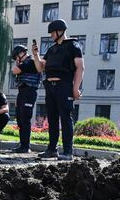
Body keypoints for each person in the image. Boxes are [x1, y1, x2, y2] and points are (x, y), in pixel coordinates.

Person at [32, 19, 84, 161]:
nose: (51, 36)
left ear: (60, 31)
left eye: (52, 33)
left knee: (66, 118)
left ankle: (68, 151)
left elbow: (80, 67)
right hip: (50, 87)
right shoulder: (52, 49)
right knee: (53, 119)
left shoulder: (73, 46)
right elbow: (40, 67)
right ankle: (52, 149)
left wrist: (75, 88)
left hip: (64, 86)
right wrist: (36, 55)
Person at [10, 44, 43, 153]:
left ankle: (25, 146)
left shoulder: (30, 62)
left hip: (29, 92)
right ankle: (22, 144)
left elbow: (15, 70)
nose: (16, 59)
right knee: (20, 118)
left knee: (25, 118)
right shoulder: (25, 63)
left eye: (16, 57)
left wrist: (18, 64)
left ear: (20, 54)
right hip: (22, 92)